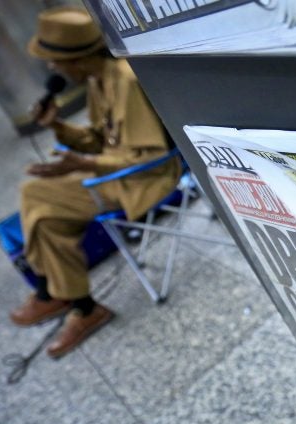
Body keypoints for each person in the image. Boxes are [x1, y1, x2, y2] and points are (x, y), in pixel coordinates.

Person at [9, 6, 180, 358]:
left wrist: (84, 163)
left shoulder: (125, 82)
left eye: (54, 61)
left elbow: (147, 158)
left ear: (77, 59)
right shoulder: (98, 80)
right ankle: (66, 297)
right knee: (36, 198)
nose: (52, 68)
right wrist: (56, 126)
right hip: (114, 171)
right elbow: (98, 139)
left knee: (44, 206)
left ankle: (69, 300)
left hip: (142, 179)